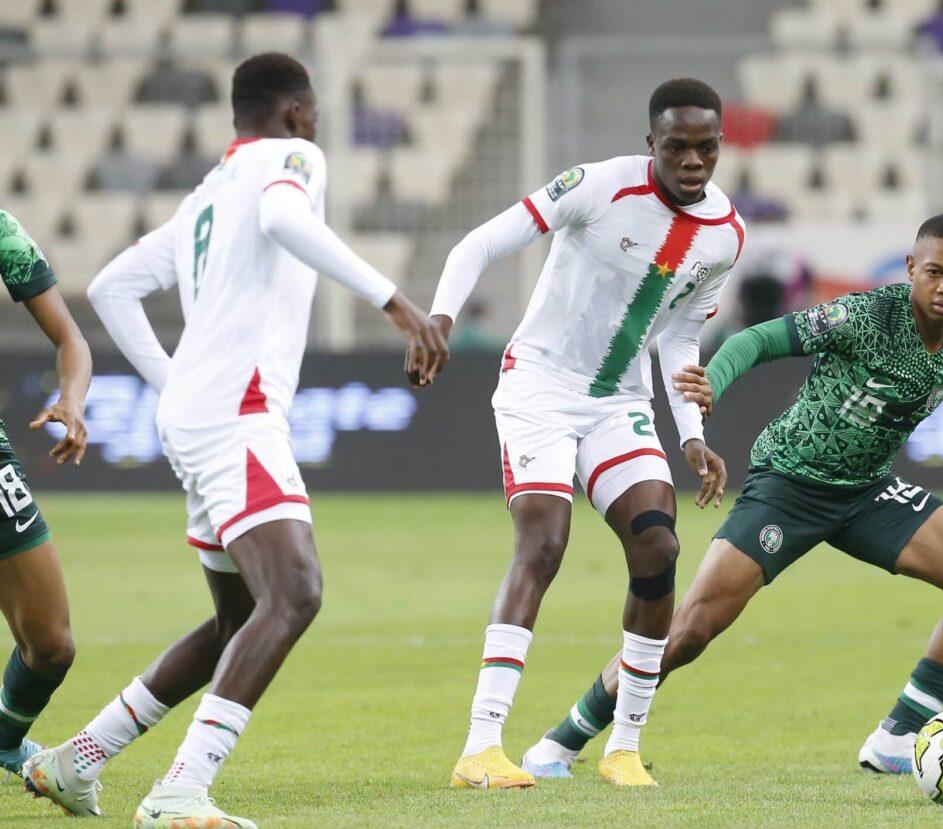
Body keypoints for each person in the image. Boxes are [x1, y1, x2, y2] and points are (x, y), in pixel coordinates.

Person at [521, 213, 943, 779]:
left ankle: (896, 739)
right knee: (689, 632)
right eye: (936, 272)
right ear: (913, 270)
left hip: (868, 494)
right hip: (787, 489)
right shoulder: (865, 317)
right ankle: (563, 740)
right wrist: (715, 384)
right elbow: (758, 340)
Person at [22, 52, 446, 828]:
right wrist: (397, 303)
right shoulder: (293, 158)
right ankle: (181, 789)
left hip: (196, 411)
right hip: (237, 412)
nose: (315, 131)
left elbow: (113, 286)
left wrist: (173, 379)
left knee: (237, 617)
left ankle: (75, 760)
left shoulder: (206, 195)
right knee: (296, 593)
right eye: (312, 118)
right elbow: (288, 218)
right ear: (295, 113)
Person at [430, 77, 744, 788]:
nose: (692, 161)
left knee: (658, 543)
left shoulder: (725, 236)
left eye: (706, 148)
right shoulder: (597, 187)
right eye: (677, 147)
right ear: (650, 144)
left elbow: (680, 336)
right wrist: (440, 319)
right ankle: (481, 747)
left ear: (720, 146)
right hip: (539, 382)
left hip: (617, 400)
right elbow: (479, 244)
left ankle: (624, 746)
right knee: (543, 542)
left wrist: (691, 430)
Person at [0, 210, 91, 777]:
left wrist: (72, 400)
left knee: (52, 645)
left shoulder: (3, 233)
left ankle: (5, 742)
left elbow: (70, 338)